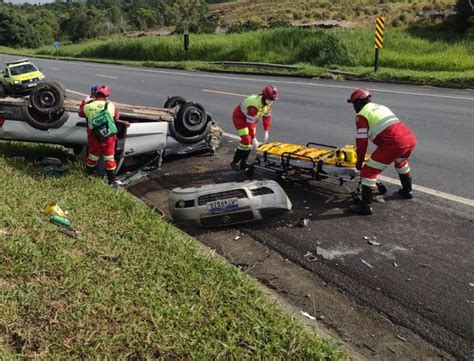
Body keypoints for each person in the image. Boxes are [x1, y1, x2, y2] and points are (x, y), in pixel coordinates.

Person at [347, 88, 417, 215]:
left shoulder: (362, 115)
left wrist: (360, 160)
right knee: (401, 162)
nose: (353, 107)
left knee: (368, 172)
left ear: (357, 102)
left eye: (353, 103)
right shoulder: (381, 107)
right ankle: (407, 191)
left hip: (393, 144)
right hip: (409, 139)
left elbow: (362, 141)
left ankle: (365, 206)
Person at [79, 84, 129, 185]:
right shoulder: (110, 106)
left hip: (94, 136)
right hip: (108, 136)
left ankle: (87, 176)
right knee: (110, 158)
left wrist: (85, 101)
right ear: (106, 96)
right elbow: (116, 117)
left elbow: (80, 113)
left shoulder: (88, 106)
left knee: (92, 157)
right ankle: (111, 181)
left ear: (94, 94)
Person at [230, 85, 279, 171]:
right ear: (264, 96)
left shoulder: (268, 103)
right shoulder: (254, 104)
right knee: (246, 140)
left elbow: (267, 117)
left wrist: (266, 130)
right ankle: (235, 162)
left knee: (249, 144)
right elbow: (250, 123)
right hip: (240, 118)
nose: (271, 102)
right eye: (270, 99)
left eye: (273, 100)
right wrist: (253, 138)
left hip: (251, 120)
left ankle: (243, 163)